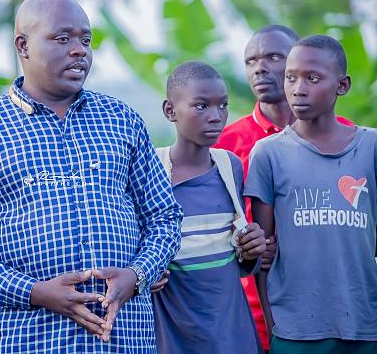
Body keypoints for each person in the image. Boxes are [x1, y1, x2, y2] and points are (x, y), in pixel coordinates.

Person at [0, 0, 182, 353]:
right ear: (23, 46)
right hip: (32, 336)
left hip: (123, 334)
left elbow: (164, 217)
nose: (79, 50)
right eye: (62, 38)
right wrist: (35, 292)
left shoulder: (122, 119)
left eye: (86, 40)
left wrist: (137, 275)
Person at [213, 25, 352, 350]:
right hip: (252, 312)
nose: (259, 68)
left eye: (273, 57)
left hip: (335, 311)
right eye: (250, 61)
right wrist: (245, 244)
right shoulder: (224, 145)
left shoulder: (349, 139)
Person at [246, 35, 377, 353]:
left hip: (365, 326)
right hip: (295, 332)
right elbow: (264, 254)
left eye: (313, 78)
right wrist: (275, 327)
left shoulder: (371, 147)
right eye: (291, 77)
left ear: (342, 85)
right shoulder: (268, 153)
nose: (298, 89)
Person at [152, 61, 265, 354]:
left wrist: (250, 246)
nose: (216, 117)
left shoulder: (230, 167)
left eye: (223, 105)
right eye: (201, 106)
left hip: (230, 330)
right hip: (173, 331)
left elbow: (237, 255)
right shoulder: (151, 171)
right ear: (170, 110)